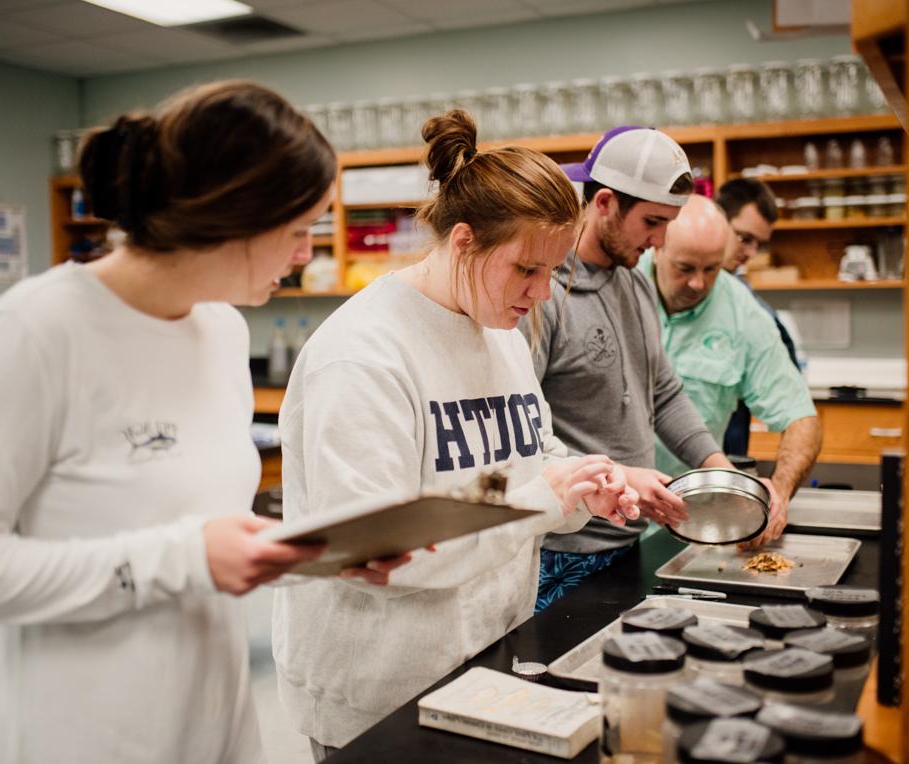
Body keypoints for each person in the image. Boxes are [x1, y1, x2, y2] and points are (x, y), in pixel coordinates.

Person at [0, 81, 405, 764]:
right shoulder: (33, 334)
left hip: (216, 723)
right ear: (229, 219)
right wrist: (183, 557)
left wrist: (322, 556)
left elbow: (209, 538)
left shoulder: (221, 330)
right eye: (297, 232)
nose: (302, 255)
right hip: (85, 735)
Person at [273, 110, 640, 761]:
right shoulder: (363, 355)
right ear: (464, 240)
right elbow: (378, 552)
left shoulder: (497, 328)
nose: (543, 294)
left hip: (485, 664)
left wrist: (583, 480)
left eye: (553, 273)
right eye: (527, 269)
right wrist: (544, 503)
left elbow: (522, 458)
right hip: (377, 693)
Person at [521, 127, 782, 611]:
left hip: (626, 542)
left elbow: (663, 394)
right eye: (653, 222)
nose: (661, 241)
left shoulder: (635, 288)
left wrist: (721, 472)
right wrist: (616, 475)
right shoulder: (543, 297)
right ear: (604, 203)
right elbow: (522, 435)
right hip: (560, 552)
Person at [639, 195, 822, 539]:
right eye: (685, 268)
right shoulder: (620, 284)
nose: (698, 283)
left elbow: (802, 420)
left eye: (711, 269)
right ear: (657, 247)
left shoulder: (745, 316)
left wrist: (779, 493)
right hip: (599, 522)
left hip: (689, 524)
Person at [713, 177, 802, 456]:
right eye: (745, 238)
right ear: (718, 220)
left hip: (725, 460)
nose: (751, 252)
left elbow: (789, 392)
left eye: (758, 244)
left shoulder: (752, 309)